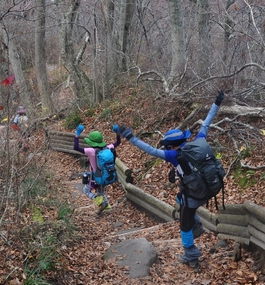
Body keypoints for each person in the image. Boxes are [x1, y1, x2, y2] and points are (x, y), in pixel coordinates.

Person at [117, 90, 225, 271]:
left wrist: (131, 137)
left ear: (170, 146)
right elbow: (206, 123)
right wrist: (217, 103)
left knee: (184, 226)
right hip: (209, 189)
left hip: (193, 197)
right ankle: (196, 225)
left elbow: (150, 150)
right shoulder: (198, 142)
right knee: (178, 200)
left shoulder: (174, 155)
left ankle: (192, 257)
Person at [74, 124, 121, 215]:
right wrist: (117, 133)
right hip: (105, 175)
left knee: (86, 191)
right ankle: (106, 208)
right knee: (101, 192)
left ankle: (101, 203)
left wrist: (77, 134)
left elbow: (76, 147)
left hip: (95, 177)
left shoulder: (91, 151)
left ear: (91, 142)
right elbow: (117, 142)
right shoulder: (107, 148)